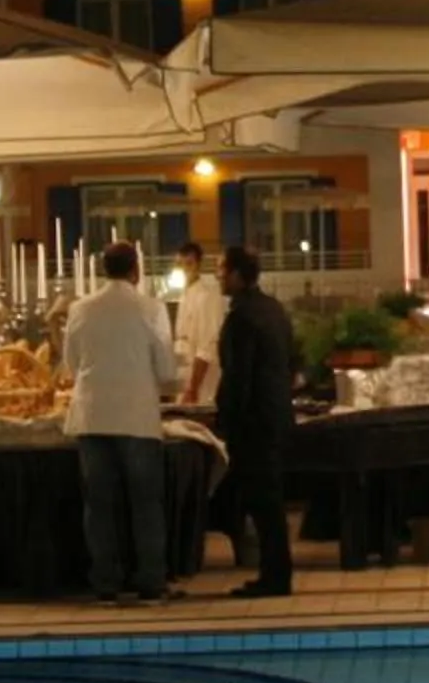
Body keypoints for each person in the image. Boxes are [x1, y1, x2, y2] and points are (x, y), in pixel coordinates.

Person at [62, 242, 184, 605]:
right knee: (145, 502)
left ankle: (105, 583)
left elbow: (70, 364)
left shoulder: (80, 308)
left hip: (92, 414)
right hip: (136, 417)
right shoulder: (150, 308)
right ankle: (150, 582)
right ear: (136, 271)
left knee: (99, 504)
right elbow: (165, 370)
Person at [214, 245, 299, 598]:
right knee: (270, 502)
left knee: (263, 503)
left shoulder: (242, 317)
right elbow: (294, 362)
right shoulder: (273, 309)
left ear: (236, 274)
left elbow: (238, 377)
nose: (217, 276)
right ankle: (275, 571)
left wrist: (226, 421)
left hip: (253, 423)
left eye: (221, 270)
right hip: (276, 415)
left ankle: (274, 576)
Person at [172, 240, 228, 406]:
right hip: (183, 375)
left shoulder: (206, 296)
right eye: (180, 265)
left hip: (200, 382)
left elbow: (207, 345)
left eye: (188, 264)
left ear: (198, 265)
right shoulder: (184, 296)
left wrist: (193, 387)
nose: (184, 269)